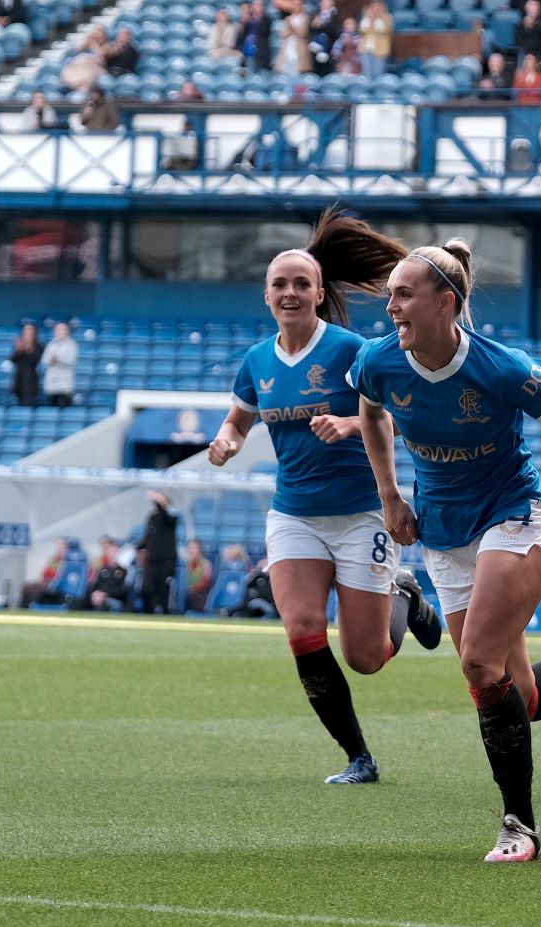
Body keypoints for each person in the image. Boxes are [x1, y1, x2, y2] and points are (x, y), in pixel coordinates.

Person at [349, 235, 541, 864]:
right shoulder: (379, 362)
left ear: (447, 302)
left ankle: (520, 827)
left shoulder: (502, 367)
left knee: (478, 666)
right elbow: (371, 412)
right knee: (522, 697)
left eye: (404, 294)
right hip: (443, 534)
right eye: (390, 297)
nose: (392, 307)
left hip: (517, 520)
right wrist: (389, 495)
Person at [207, 210, 443, 784]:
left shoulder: (351, 351)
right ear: (266, 296)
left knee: (364, 658)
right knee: (302, 630)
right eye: (280, 284)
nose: (290, 292)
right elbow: (240, 418)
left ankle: (404, 601)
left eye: (301, 284)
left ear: (318, 294)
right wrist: (227, 439)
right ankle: (358, 757)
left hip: (361, 512)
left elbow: (393, 418)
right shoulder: (257, 361)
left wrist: (349, 423)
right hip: (294, 514)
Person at [136, 490, 178, 614]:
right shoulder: (153, 517)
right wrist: (139, 547)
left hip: (166, 560)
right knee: (146, 588)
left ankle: (164, 615)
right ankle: (149, 612)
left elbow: (168, 516)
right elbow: (148, 536)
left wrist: (158, 501)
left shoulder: (172, 514)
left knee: (163, 591)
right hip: (152, 559)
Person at [69, 536, 129, 612]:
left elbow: (123, 591)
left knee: (105, 604)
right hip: (97, 597)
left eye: (116, 552)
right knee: (78, 601)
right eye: (112, 552)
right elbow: (94, 585)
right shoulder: (103, 569)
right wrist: (95, 594)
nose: (114, 555)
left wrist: (104, 595)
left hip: (112, 599)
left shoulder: (124, 571)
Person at [42, 321, 78, 407]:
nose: (61, 332)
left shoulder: (72, 344)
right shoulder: (51, 344)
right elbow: (44, 361)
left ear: (67, 331)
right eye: (58, 329)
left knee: (65, 408)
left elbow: (71, 360)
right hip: (52, 384)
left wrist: (59, 358)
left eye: (63, 329)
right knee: (52, 409)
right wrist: (51, 360)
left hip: (65, 385)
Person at [10, 323, 42, 407]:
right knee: (19, 406)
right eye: (25, 333)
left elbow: (37, 360)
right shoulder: (19, 345)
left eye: (30, 333)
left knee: (27, 405)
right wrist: (18, 351)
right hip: (18, 381)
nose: (27, 335)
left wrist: (29, 349)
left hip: (30, 382)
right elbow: (12, 360)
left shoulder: (39, 346)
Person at [359, 0, 392, 78]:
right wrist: (368, 19)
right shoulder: (366, 18)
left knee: (378, 74)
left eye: (378, 7)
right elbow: (362, 30)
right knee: (366, 73)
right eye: (373, 7)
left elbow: (383, 29)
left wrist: (378, 18)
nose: (375, 9)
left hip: (380, 51)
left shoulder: (387, 17)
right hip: (366, 49)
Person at [184, 538, 214, 612]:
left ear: (200, 549)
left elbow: (206, 582)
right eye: (190, 548)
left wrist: (193, 587)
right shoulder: (185, 564)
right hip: (187, 592)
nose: (192, 551)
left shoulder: (205, 564)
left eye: (195, 548)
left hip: (200, 594)